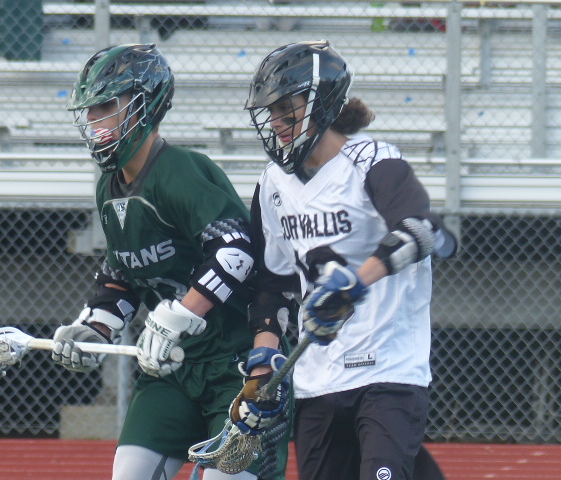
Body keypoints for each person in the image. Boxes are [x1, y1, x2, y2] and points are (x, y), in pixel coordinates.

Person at [51, 43, 287, 480]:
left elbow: (235, 251)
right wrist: (94, 328)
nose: (94, 119)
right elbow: (124, 274)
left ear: (145, 105)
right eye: (90, 109)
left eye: (106, 105)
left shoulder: (181, 171)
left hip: (236, 363)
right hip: (173, 366)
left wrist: (179, 315)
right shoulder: (108, 187)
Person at [229, 40, 455, 480]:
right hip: (318, 379)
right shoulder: (272, 184)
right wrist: (262, 362)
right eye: (270, 112)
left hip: (387, 370)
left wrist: (355, 283)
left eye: (286, 109)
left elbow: (422, 231)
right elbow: (273, 285)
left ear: (320, 104)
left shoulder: (373, 161)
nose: (275, 122)